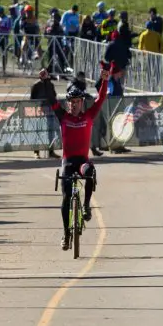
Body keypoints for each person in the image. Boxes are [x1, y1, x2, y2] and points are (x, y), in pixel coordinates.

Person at [48, 65, 111, 250]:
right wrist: (45, 81)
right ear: (68, 103)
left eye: (77, 101)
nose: (74, 104)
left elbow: (101, 98)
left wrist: (105, 79)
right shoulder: (63, 117)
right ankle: (67, 235)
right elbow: (51, 99)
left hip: (82, 161)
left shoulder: (89, 115)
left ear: (82, 102)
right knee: (66, 198)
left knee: (90, 171)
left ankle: (85, 206)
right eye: (71, 102)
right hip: (68, 163)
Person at [30, 69, 59, 159]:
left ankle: (51, 151)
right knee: (38, 131)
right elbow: (32, 98)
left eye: (45, 74)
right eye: (42, 74)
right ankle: (36, 152)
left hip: (50, 111)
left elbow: (54, 96)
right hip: (39, 111)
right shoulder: (36, 85)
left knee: (50, 131)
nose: (44, 76)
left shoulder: (50, 85)